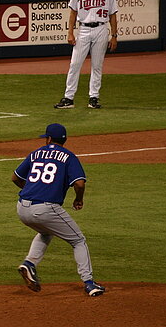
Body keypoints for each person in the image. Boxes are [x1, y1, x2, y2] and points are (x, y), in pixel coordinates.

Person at [13, 122, 106, 297]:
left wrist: (32, 188)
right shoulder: (68, 156)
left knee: (46, 232)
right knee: (78, 240)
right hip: (45, 209)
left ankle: (29, 264)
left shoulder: (35, 153)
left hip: (21, 208)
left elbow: (15, 177)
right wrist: (79, 199)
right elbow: (79, 183)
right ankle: (89, 283)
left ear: (48, 139)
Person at [54, 0, 118, 110]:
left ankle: (93, 98)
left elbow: (113, 15)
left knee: (97, 66)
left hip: (101, 29)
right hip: (83, 29)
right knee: (74, 64)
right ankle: (69, 98)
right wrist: (70, 32)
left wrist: (114, 35)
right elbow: (73, 12)